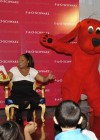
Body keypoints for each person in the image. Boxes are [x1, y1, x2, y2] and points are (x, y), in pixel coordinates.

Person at [7, 53, 55, 124]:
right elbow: (6, 78)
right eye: (19, 60)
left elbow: (43, 79)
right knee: (25, 102)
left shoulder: (32, 70)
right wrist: (2, 76)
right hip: (17, 93)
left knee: (36, 100)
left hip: (29, 93)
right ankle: (18, 114)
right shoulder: (14, 69)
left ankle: (29, 115)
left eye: (22, 60)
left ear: (28, 61)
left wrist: (48, 78)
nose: (19, 62)